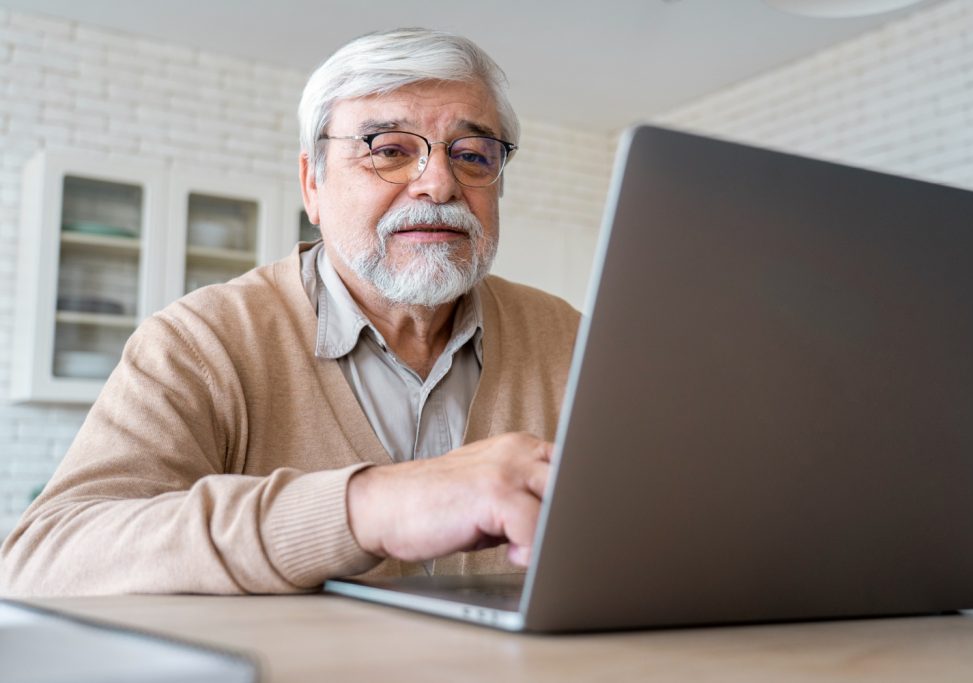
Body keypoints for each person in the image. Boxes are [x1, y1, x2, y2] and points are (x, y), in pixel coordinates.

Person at [0, 28, 579, 596]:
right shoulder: (200, 342)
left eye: (472, 155)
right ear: (312, 185)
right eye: (390, 151)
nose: (438, 183)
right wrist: (370, 506)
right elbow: (42, 559)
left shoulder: (576, 340)